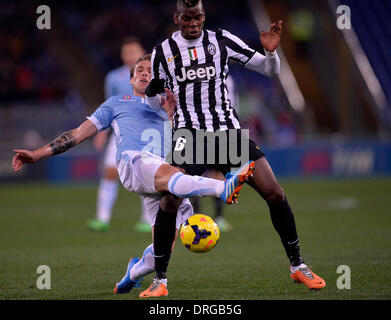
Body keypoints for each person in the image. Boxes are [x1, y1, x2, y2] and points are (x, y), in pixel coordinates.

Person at [12, 55, 255, 297]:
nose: (145, 73)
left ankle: (133, 273)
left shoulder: (172, 107)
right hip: (134, 162)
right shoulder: (116, 103)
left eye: (150, 70)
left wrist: (172, 115)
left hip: (160, 173)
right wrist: (37, 154)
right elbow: (77, 134)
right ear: (131, 80)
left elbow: (188, 143)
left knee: (165, 246)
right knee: (171, 174)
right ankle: (221, 189)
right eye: (139, 70)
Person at [142, 0, 325, 296]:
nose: (193, 23)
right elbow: (153, 103)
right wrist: (153, 94)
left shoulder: (221, 40)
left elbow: (269, 69)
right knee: (169, 203)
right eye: (187, 18)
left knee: (275, 193)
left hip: (229, 135)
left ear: (204, 16)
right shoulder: (162, 52)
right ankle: (159, 281)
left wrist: (271, 50)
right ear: (177, 18)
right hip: (190, 138)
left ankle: (298, 266)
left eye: (198, 17)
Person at [87, 37, 151, 233]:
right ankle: (102, 218)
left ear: (141, 52)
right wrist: (101, 132)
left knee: (147, 175)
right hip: (120, 133)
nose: (130, 55)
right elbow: (109, 107)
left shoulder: (153, 74)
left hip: (148, 134)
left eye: (133, 51)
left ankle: (147, 220)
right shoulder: (113, 77)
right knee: (109, 172)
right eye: (126, 52)